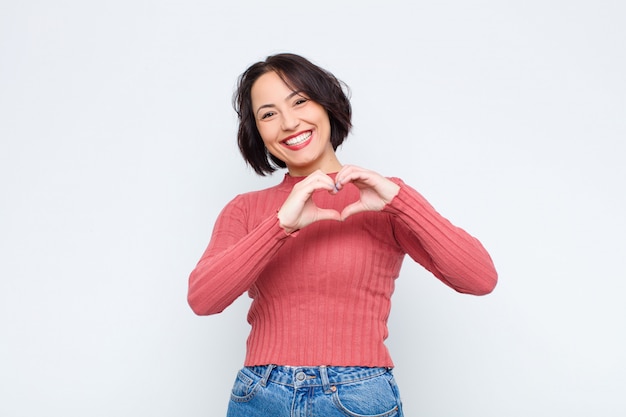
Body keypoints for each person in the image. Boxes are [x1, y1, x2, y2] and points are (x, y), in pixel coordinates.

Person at [187, 53, 498, 417]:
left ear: (326, 104)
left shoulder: (382, 199)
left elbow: (479, 278)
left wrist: (402, 202)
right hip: (260, 395)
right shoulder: (244, 209)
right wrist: (279, 226)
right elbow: (203, 299)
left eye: (300, 101)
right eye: (268, 114)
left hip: (356, 397)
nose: (288, 122)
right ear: (258, 132)